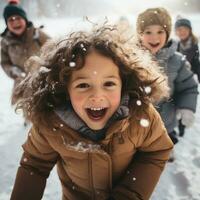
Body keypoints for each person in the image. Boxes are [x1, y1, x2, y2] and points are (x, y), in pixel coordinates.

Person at [10, 24, 173, 200]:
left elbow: (156, 150)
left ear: (123, 84)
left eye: (109, 84)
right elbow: (34, 166)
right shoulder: (52, 124)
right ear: (65, 90)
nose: (97, 96)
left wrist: (129, 194)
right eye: (83, 85)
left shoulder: (140, 116)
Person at [136, 8, 198, 148]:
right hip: (136, 124)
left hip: (166, 122)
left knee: (163, 148)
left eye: (160, 32)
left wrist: (187, 107)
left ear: (168, 33)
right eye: (148, 32)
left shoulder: (177, 60)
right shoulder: (130, 59)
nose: (154, 37)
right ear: (140, 34)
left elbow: (188, 87)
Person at [1, 0, 50, 87]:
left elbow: (54, 49)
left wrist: (47, 67)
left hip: (43, 82)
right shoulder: (5, 42)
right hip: (21, 85)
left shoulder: (37, 34)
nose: (15, 22)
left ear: (25, 19)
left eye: (18, 18)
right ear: (6, 24)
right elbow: (4, 62)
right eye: (11, 20)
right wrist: (12, 70)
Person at [175, 17, 200, 83]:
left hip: (190, 79)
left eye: (185, 29)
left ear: (190, 31)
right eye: (180, 29)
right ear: (176, 32)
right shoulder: (174, 45)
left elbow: (196, 64)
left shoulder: (195, 45)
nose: (182, 32)